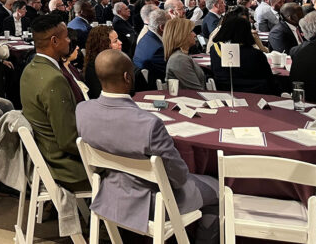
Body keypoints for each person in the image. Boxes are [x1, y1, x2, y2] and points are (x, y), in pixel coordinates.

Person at [76, 50, 219, 244]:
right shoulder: (149, 124)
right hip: (152, 202)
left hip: (108, 194)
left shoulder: (82, 111)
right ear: (127, 77)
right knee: (218, 190)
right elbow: (178, 177)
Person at [20, 13, 88, 191]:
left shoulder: (29, 69)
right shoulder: (54, 79)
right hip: (66, 169)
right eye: (66, 37)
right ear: (54, 41)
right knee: (127, 170)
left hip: (48, 158)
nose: (69, 41)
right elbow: (68, 140)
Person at [209, 16, 273, 93]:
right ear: (247, 32)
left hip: (223, 91)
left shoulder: (214, 49)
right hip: (255, 93)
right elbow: (269, 78)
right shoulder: (256, 55)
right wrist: (259, 45)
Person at [163, 18, 206, 90]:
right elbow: (195, 90)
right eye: (191, 31)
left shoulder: (181, 56)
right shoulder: (179, 59)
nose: (195, 34)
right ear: (182, 35)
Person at [83, 25, 121, 99]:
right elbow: (98, 96)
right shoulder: (92, 68)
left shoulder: (118, 61)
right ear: (103, 45)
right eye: (115, 41)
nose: (120, 43)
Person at [132, 8, 168, 81]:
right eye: (171, 25)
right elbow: (169, 74)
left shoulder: (145, 38)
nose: (173, 28)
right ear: (162, 27)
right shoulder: (158, 50)